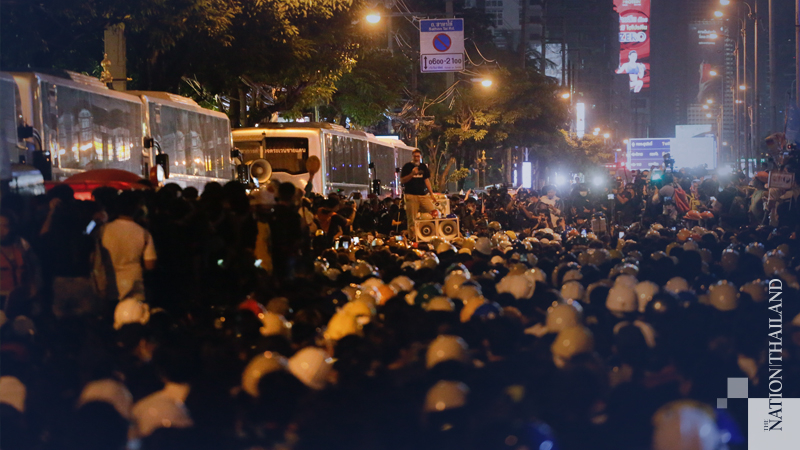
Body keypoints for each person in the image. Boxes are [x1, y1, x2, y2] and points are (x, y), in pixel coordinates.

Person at [101, 191, 157, 301]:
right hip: (134, 287)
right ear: (137, 208)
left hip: (108, 285)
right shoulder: (143, 233)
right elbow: (150, 264)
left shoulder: (103, 230)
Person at [399, 149, 436, 237]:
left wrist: (431, 193)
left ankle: (429, 233)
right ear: (412, 156)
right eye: (415, 156)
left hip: (422, 195)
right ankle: (412, 238)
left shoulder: (423, 167)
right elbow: (402, 180)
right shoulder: (407, 166)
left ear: (421, 157)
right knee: (412, 218)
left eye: (418, 156)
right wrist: (411, 174)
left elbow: (426, 180)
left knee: (433, 211)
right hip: (411, 195)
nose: (416, 158)